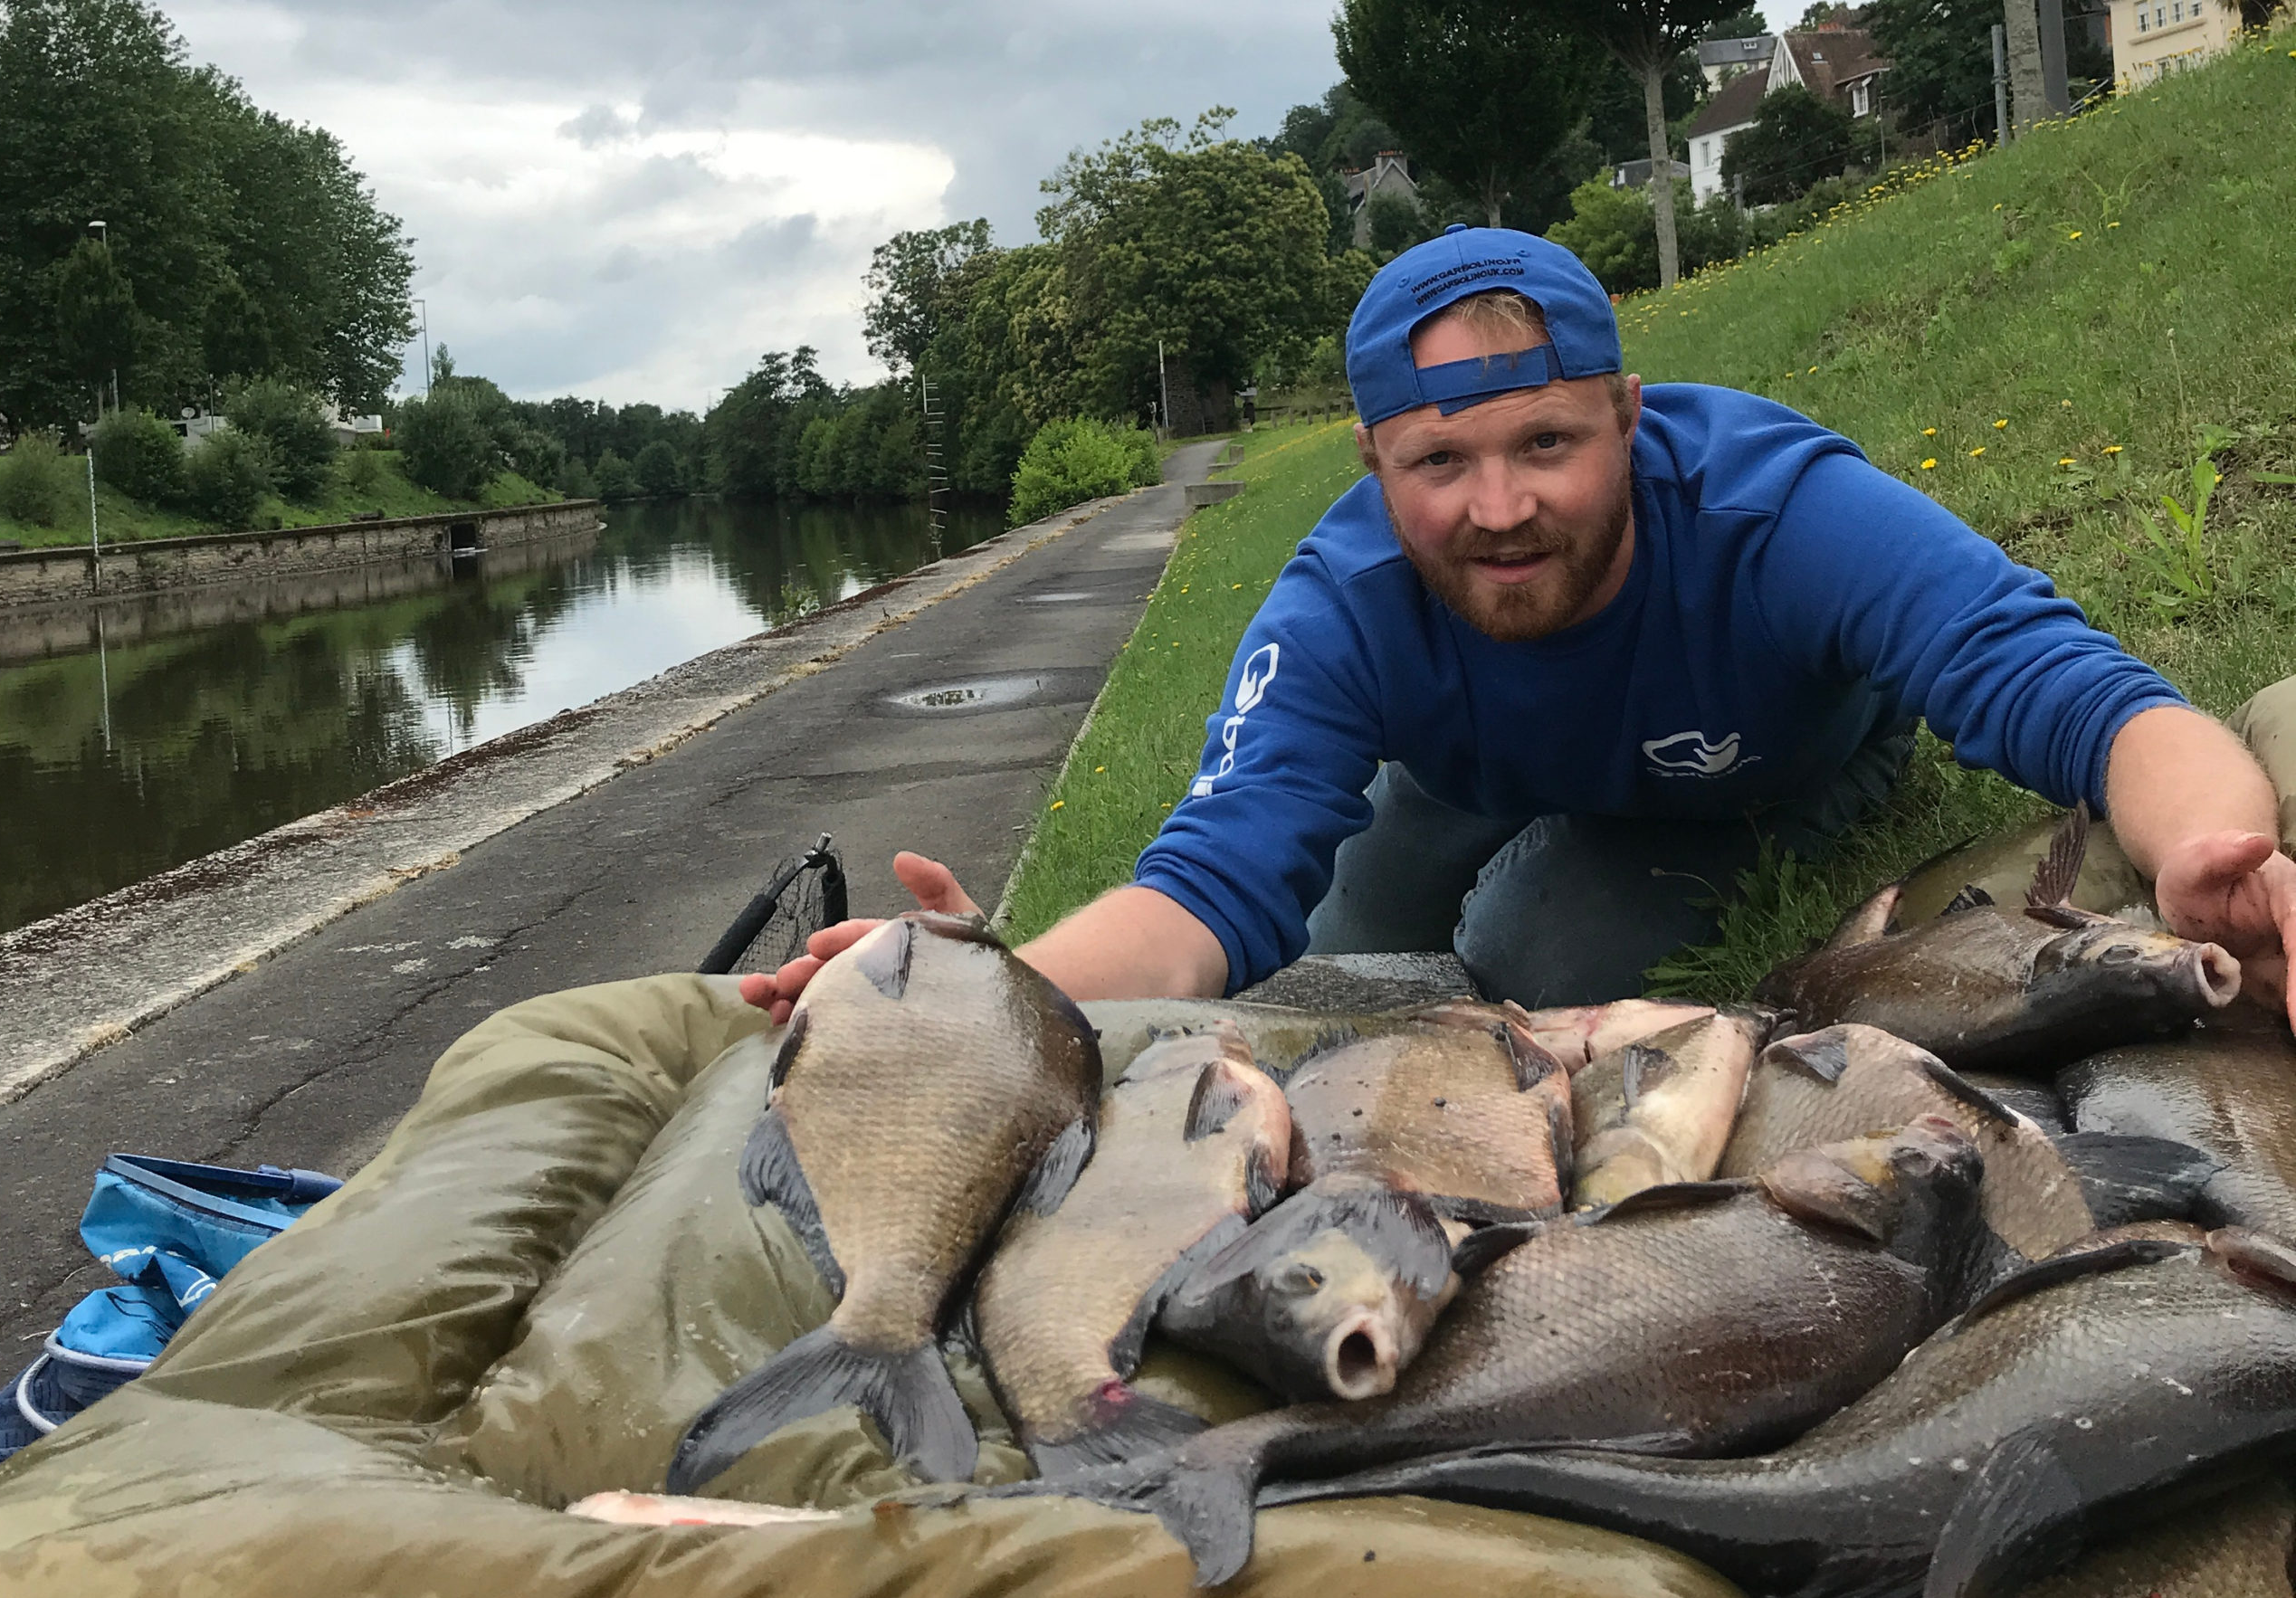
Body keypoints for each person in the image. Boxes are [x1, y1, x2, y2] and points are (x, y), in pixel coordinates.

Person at [746, 225, 2296, 1029]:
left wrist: (2211, 852)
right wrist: (984, 989)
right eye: (1439, 465)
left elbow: (2091, 703)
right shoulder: (1340, 601)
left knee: (1534, 945)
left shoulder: (1778, 508)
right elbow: (1208, 885)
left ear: (1629, 416)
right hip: (1483, 770)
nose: (1498, 512)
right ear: (1376, 464)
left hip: (1756, 766)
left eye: (1547, 445)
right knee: (1336, 971)